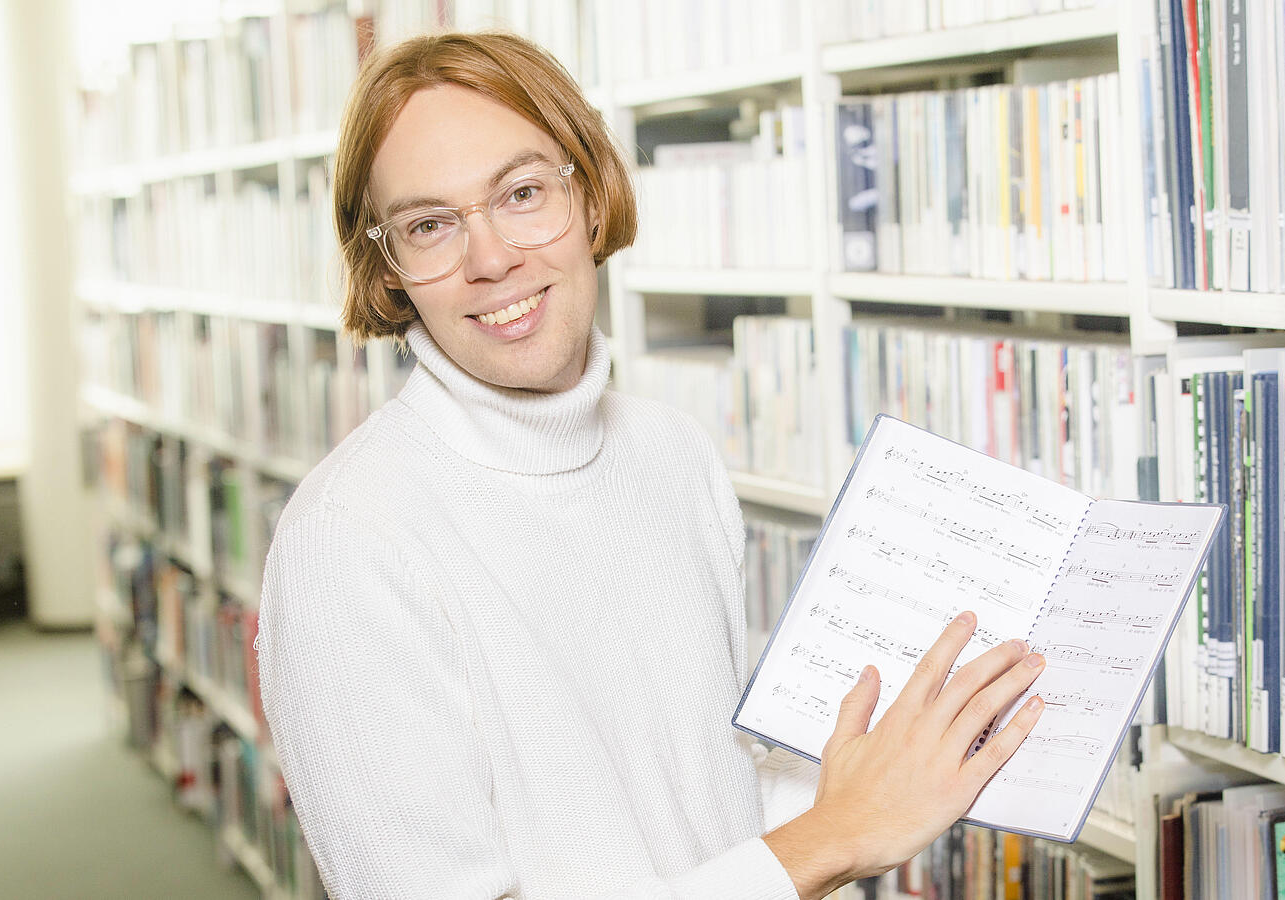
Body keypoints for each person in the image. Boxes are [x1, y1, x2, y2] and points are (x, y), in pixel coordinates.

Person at [256, 30, 1049, 900]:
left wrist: (913, 760)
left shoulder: (672, 455)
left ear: (591, 195)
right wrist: (831, 839)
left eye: (522, 194)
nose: (491, 261)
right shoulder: (346, 543)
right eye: (430, 225)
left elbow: (707, 804)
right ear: (389, 264)